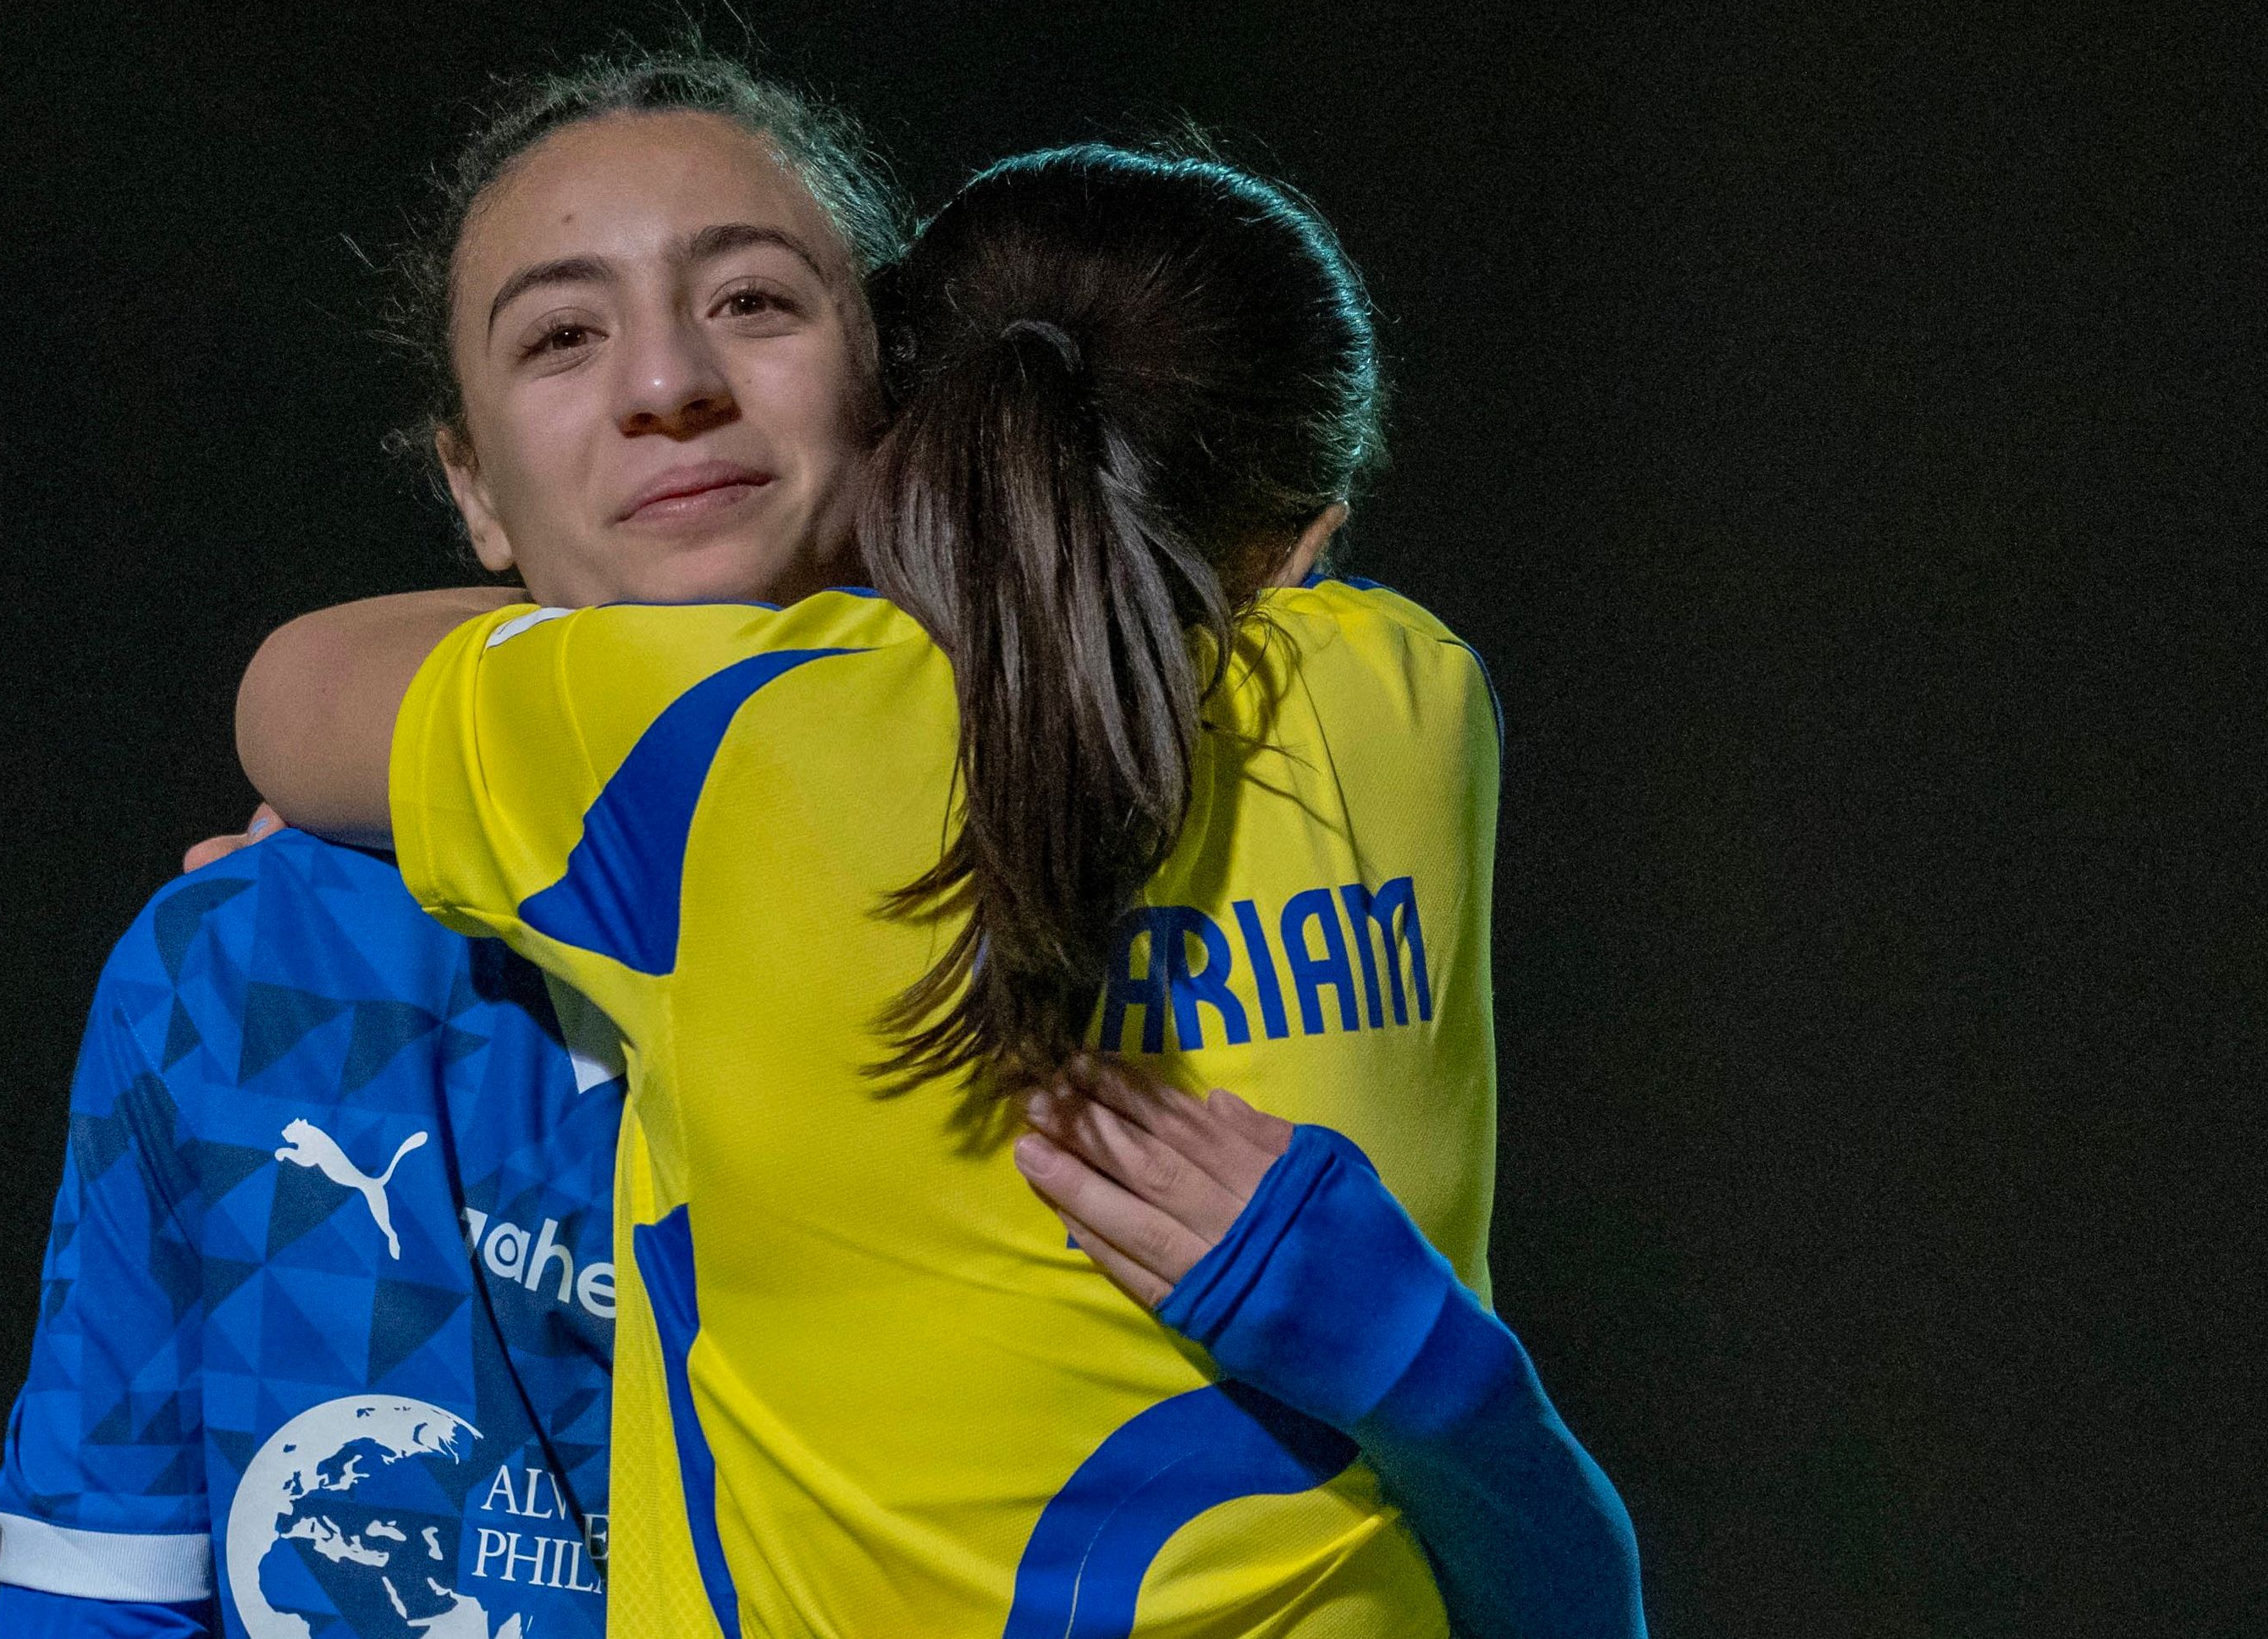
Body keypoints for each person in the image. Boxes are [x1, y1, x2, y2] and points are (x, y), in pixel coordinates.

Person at [236, 144, 1643, 1638]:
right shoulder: (1417, 709)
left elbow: (290, 694)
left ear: (913, 434)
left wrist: (587, 684)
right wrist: (1413, 1351)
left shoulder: (708, 754)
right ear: (1312, 527)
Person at [0, 50, 908, 1639]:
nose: (667, 381)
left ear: (899, 389)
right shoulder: (243, 968)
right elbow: (103, 1593)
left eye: (755, 300)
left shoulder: (1064, 912)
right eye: (563, 333)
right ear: (473, 492)